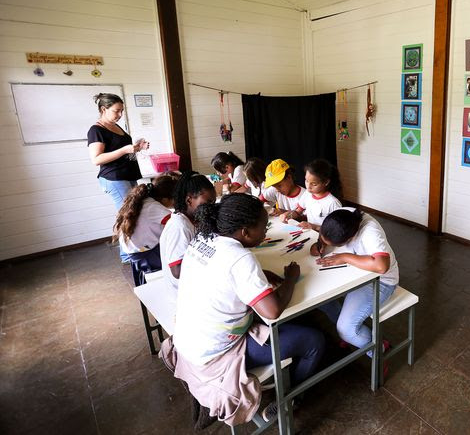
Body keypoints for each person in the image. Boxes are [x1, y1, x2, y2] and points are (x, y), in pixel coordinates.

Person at [172, 194, 325, 422]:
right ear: (244, 232)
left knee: (288, 325)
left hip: (188, 341)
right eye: (263, 227)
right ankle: (290, 400)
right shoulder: (240, 258)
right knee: (314, 341)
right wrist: (291, 278)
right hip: (217, 355)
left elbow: (221, 274)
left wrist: (260, 277)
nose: (265, 232)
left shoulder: (202, 240)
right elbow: (272, 311)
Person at [311, 208, 399, 357]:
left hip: (380, 281)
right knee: (319, 298)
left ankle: (376, 350)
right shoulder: (344, 214)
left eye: (335, 244)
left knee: (346, 329)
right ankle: (353, 337)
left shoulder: (370, 232)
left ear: (349, 238)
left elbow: (381, 266)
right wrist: (321, 243)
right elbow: (324, 230)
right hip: (356, 274)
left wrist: (345, 257)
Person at [87, 92, 148, 261]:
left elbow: (122, 153)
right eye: (116, 111)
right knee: (128, 214)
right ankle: (127, 256)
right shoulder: (96, 130)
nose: (120, 115)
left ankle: (132, 251)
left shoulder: (116, 126)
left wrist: (137, 148)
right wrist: (124, 150)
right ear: (103, 109)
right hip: (114, 179)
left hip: (128, 174)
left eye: (122, 111)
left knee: (133, 213)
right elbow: (96, 159)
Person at [113, 173, 178, 285]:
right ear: (165, 198)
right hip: (147, 257)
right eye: (175, 199)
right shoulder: (154, 207)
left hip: (135, 255)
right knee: (183, 246)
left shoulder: (144, 201)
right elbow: (178, 223)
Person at [160, 171, 216, 289]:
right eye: (207, 203)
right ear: (189, 200)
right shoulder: (179, 226)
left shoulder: (193, 219)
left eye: (213, 203)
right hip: (183, 289)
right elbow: (177, 271)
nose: (211, 208)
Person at [283, 159, 342, 230]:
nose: (308, 186)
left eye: (314, 184)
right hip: (310, 233)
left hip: (325, 237)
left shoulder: (333, 203)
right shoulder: (307, 194)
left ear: (326, 182)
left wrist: (315, 227)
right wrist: (289, 215)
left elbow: (336, 229)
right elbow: (298, 211)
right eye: (306, 181)